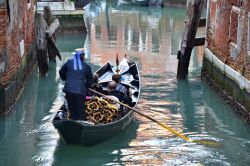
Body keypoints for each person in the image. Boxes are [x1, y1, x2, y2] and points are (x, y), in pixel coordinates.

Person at [59, 48, 93, 120]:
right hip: (80, 92)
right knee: (80, 112)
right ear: (83, 56)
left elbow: (61, 72)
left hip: (69, 90)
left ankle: (73, 125)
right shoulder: (87, 67)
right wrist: (85, 88)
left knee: (72, 111)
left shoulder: (68, 62)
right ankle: (81, 126)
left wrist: (65, 78)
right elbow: (90, 82)